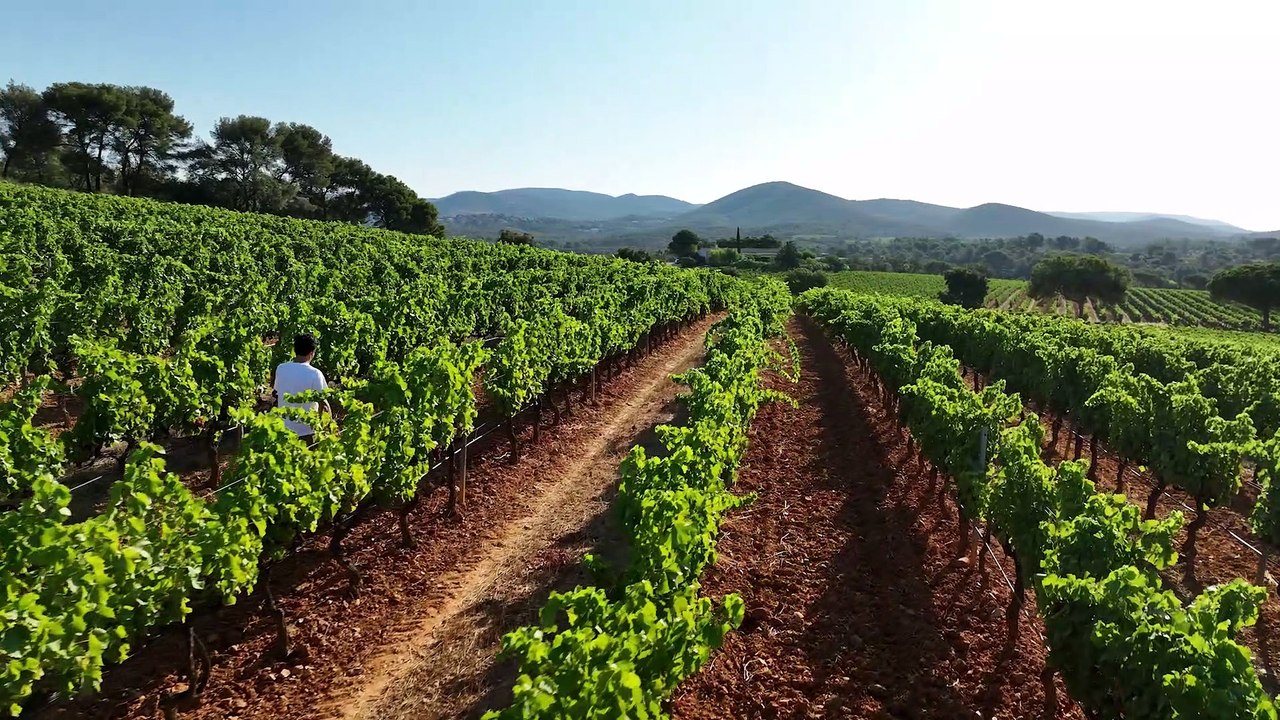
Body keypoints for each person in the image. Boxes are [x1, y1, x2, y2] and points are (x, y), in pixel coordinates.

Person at [274, 333, 331, 442]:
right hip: (307, 432)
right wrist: (325, 428)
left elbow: (277, 393)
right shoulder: (315, 374)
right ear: (312, 353)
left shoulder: (281, 368)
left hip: (283, 430)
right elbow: (324, 405)